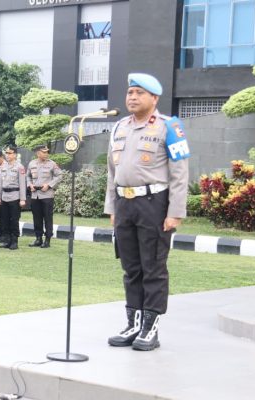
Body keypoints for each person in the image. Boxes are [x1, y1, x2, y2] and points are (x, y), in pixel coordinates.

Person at [105, 73, 190, 351]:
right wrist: (112, 208)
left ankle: (150, 329)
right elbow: (111, 172)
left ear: (154, 98)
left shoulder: (170, 127)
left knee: (152, 266)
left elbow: (180, 174)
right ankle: (133, 323)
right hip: (124, 204)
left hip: (154, 204)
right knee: (130, 268)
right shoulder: (119, 127)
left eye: (139, 93)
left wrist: (175, 212)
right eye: (130, 92)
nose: (132, 97)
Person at [26, 145, 62, 248]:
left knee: (47, 218)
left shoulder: (52, 164)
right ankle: (38, 239)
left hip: (47, 195)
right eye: (44, 152)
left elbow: (60, 175)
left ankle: (47, 240)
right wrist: (30, 185)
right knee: (36, 218)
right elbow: (28, 176)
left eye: (47, 152)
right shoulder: (32, 163)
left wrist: (49, 185)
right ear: (38, 153)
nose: (46, 154)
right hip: (35, 195)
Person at [0, 145, 26, 250]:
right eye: (6, 153)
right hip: (4, 196)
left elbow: (22, 184)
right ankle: (7, 240)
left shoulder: (20, 167)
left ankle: (14, 241)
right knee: (4, 220)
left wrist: (22, 199)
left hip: (15, 196)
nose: (7, 155)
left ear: (15, 154)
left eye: (9, 153)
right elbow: (1, 183)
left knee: (14, 220)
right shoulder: (3, 167)